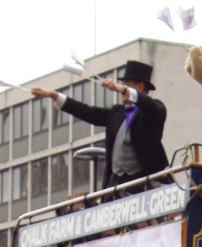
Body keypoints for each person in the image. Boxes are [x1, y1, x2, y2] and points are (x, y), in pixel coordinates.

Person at [31, 60, 168, 192]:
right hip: (117, 186)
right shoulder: (116, 113)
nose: (122, 90)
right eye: (123, 84)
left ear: (140, 87)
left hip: (145, 184)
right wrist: (55, 95)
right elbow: (87, 112)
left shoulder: (154, 111)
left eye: (127, 84)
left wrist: (122, 89)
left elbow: (150, 105)